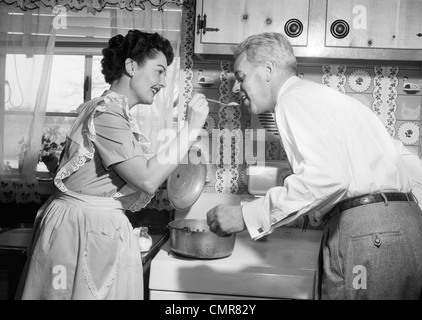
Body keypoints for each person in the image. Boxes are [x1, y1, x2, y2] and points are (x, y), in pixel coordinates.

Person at [206, 32, 422, 300]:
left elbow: (329, 177)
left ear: (268, 70)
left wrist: (246, 215)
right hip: (404, 231)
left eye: (241, 77)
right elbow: (407, 163)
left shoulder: (292, 99)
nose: (237, 89)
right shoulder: (332, 100)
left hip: (369, 236)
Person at [17, 30, 209, 300]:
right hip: (82, 231)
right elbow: (146, 179)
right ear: (131, 66)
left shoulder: (110, 111)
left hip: (85, 227)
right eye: (159, 71)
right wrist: (191, 128)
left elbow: (144, 171)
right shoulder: (107, 112)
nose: (164, 82)